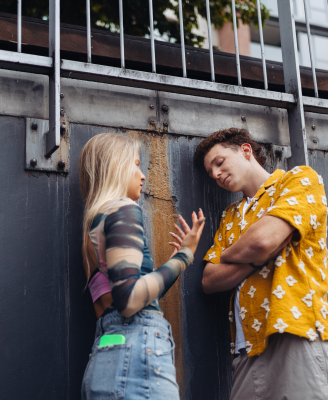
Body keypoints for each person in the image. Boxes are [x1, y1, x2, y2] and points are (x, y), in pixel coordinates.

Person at [195, 128, 328, 399]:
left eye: (219, 163)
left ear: (245, 151)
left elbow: (262, 241)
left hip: (296, 331)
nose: (216, 175)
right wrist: (255, 260)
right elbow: (209, 280)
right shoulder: (229, 215)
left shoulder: (299, 179)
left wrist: (233, 254)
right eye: (211, 173)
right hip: (247, 350)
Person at [79, 133, 205, 400]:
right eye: (135, 164)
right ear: (116, 167)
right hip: (137, 356)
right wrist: (184, 257)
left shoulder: (92, 231)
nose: (142, 175)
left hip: (107, 356)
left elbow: (120, 298)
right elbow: (131, 299)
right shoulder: (123, 209)